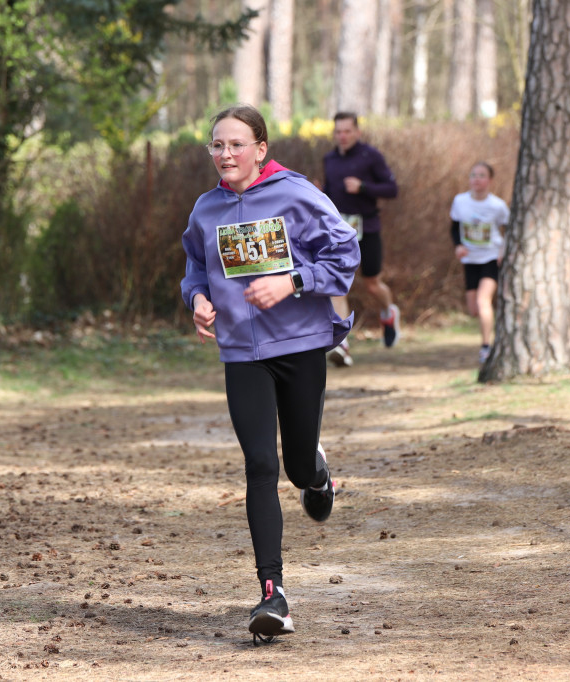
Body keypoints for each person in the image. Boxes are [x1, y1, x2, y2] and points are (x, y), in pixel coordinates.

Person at [180, 104, 360, 643]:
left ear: (261, 149)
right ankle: (272, 595)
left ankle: (317, 474)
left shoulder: (296, 194)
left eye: (236, 144)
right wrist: (197, 298)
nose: (225, 154)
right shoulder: (206, 208)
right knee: (260, 463)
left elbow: (345, 252)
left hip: (299, 344)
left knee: (296, 466)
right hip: (240, 352)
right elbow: (194, 265)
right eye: (217, 145)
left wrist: (293, 282)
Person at [321, 112, 399, 367]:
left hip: (368, 229)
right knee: (338, 285)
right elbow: (330, 196)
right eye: (338, 132)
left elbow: (391, 189)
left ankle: (389, 312)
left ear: (357, 132)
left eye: (347, 131)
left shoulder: (371, 157)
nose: (342, 136)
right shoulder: (329, 160)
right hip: (339, 232)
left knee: (372, 284)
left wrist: (364, 187)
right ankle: (342, 344)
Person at [449, 162, 510, 364]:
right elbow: (455, 227)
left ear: (490, 180)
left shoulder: (497, 205)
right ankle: (493, 322)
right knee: (474, 309)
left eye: (481, 175)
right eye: (473, 175)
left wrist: (503, 251)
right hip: (470, 259)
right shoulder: (460, 201)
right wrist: (458, 245)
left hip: (491, 258)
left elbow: (509, 229)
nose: (476, 179)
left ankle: (486, 347)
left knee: (484, 301)